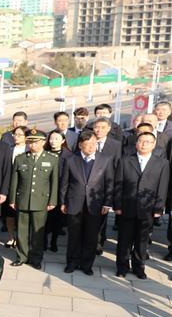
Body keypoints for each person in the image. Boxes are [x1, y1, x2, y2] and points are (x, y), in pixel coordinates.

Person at [114, 132, 169, 279]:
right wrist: (117, 204)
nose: (144, 144)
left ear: (154, 144)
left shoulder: (162, 163)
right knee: (124, 239)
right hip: (127, 206)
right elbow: (118, 184)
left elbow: (162, 186)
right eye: (141, 141)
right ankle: (122, 267)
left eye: (148, 142)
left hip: (148, 208)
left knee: (142, 241)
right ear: (136, 143)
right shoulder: (125, 160)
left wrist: (159, 207)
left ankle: (139, 267)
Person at [60, 130, 114, 275]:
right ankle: (71, 263)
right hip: (74, 202)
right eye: (87, 143)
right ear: (80, 145)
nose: (91, 147)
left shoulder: (105, 159)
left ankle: (86, 265)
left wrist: (107, 203)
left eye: (94, 143)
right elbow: (64, 183)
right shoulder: (71, 160)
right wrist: (63, 202)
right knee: (74, 236)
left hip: (95, 204)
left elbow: (109, 183)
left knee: (91, 237)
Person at [9, 130, 59, 270]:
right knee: (21, 230)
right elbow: (15, 181)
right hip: (23, 199)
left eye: (36, 142)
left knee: (38, 232)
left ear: (43, 142)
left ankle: (36, 258)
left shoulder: (52, 158)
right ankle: (21, 256)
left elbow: (54, 182)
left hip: (41, 200)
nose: (32, 145)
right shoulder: (21, 158)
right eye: (30, 142)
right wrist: (12, 199)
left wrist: (53, 201)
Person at [92, 118, 123, 254]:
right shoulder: (88, 140)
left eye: (102, 127)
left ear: (109, 129)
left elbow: (117, 166)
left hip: (106, 185)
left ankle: (99, 242)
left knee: (102, 216)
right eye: (96, 127)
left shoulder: (115, 145)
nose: (99, 130)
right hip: (90, 184)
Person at [45, 130, 73, 251]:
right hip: (45, 191)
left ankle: (54, 241)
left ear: (62, 141)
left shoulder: (69, 156)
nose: (53, 141)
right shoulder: (44, 153)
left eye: (56, 139)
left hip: (60, 192)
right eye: (51, 138)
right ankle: (44, 241)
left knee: (57, 219)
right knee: (45, 219)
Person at [3, 126, 29, 248]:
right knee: (9, 214)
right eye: (15, 134)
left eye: (19, 134)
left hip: (24, 186)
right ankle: (10, 237)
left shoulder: (29, 150)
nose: (16, 137)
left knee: (22, 214)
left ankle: (20, 238)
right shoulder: (9, 149)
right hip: (10, 185)